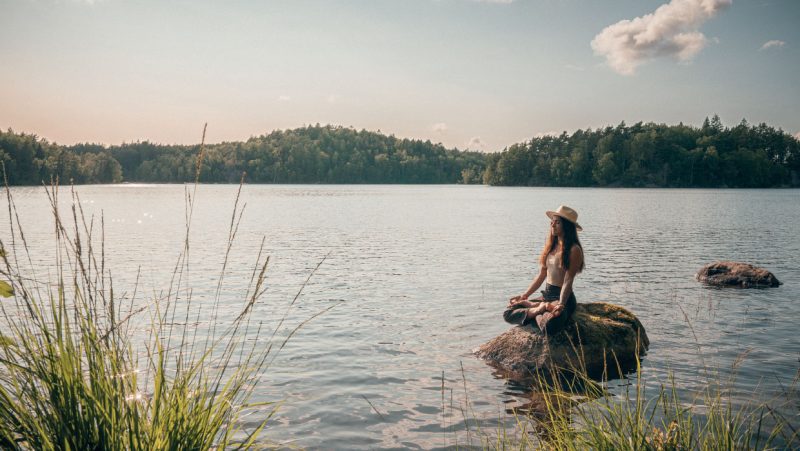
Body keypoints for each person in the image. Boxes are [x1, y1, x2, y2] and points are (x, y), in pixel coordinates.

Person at [503, 205, 585, 335]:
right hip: (546, 297)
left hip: (563, 298)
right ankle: (539, 308)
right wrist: (525, 295)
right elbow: (541, 275)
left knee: (549, 326)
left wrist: (561, 304)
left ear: (567, 226)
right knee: (508, 313)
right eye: (552, 222)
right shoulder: (551, 247)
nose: (552, 225)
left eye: (557, 222)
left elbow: (568, 281)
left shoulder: (574, 250)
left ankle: (535, 309)